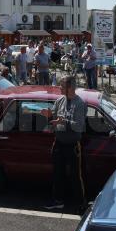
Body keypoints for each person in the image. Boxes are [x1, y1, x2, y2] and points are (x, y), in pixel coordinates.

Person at [41, 76, 87, 211]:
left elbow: (79, 127)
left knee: (75, 176)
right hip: (59, 143)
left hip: (72, 145)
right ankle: (58, 201)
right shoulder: (60, 100)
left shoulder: (80, 103)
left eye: (62, 86)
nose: (59, 88)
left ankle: (80, 204)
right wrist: (49, 115)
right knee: (57, 173)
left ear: (70, 88)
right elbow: (54, 118)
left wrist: (63, 122)